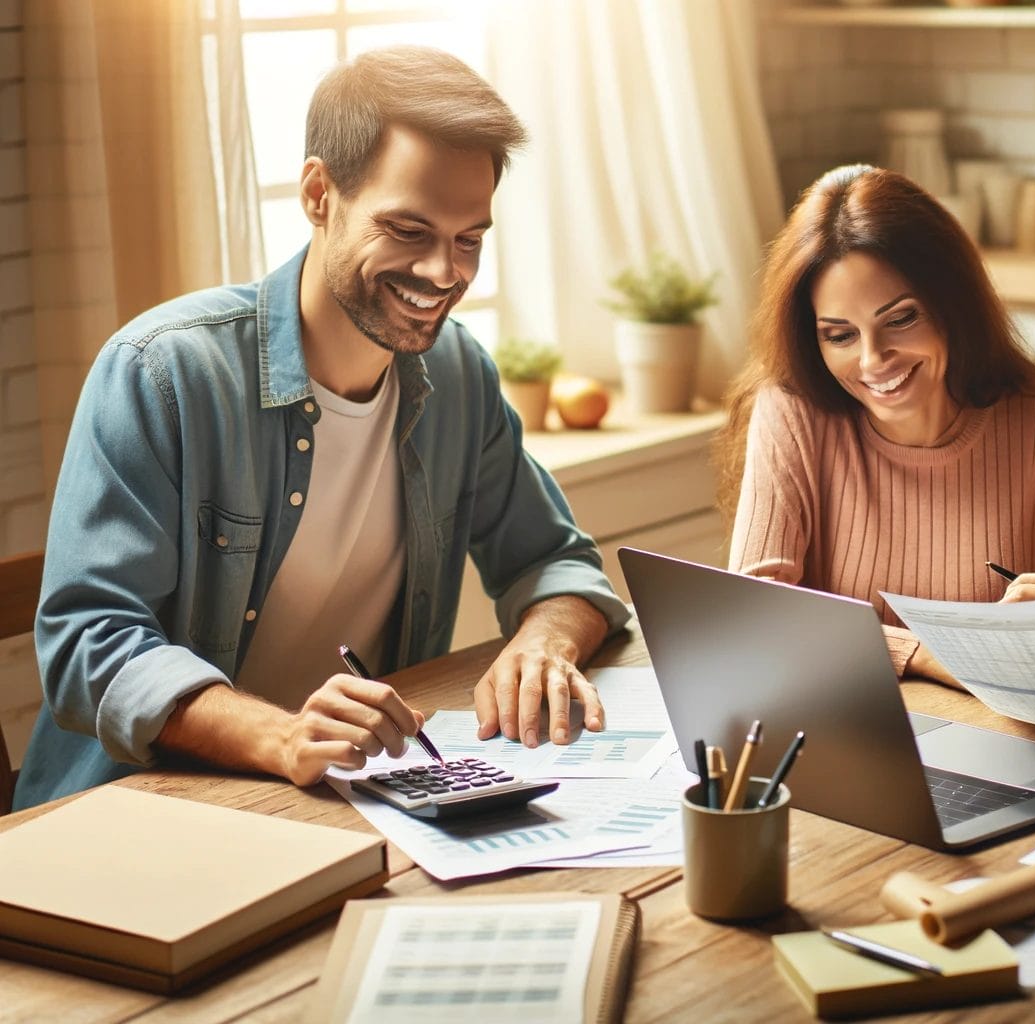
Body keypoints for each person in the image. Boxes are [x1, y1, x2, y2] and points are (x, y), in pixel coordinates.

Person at [16, 47, 627, 810]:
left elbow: (555, 561)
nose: (445, 272)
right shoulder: (163, 373)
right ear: (318, 194)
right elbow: (87, 644)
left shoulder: (460, 376)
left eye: (469, 237)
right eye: (408, 229)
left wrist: (545, 641)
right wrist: (281, 737)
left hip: (355, 804)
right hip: (144, 809)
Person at [717, 165, 1035, 682]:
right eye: (840, 336)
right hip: (846, 734)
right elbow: (757, 616)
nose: (874, 360)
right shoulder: (793, 412)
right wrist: (942, 653)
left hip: (1002, 742)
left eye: (900, 319)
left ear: (953, 306)